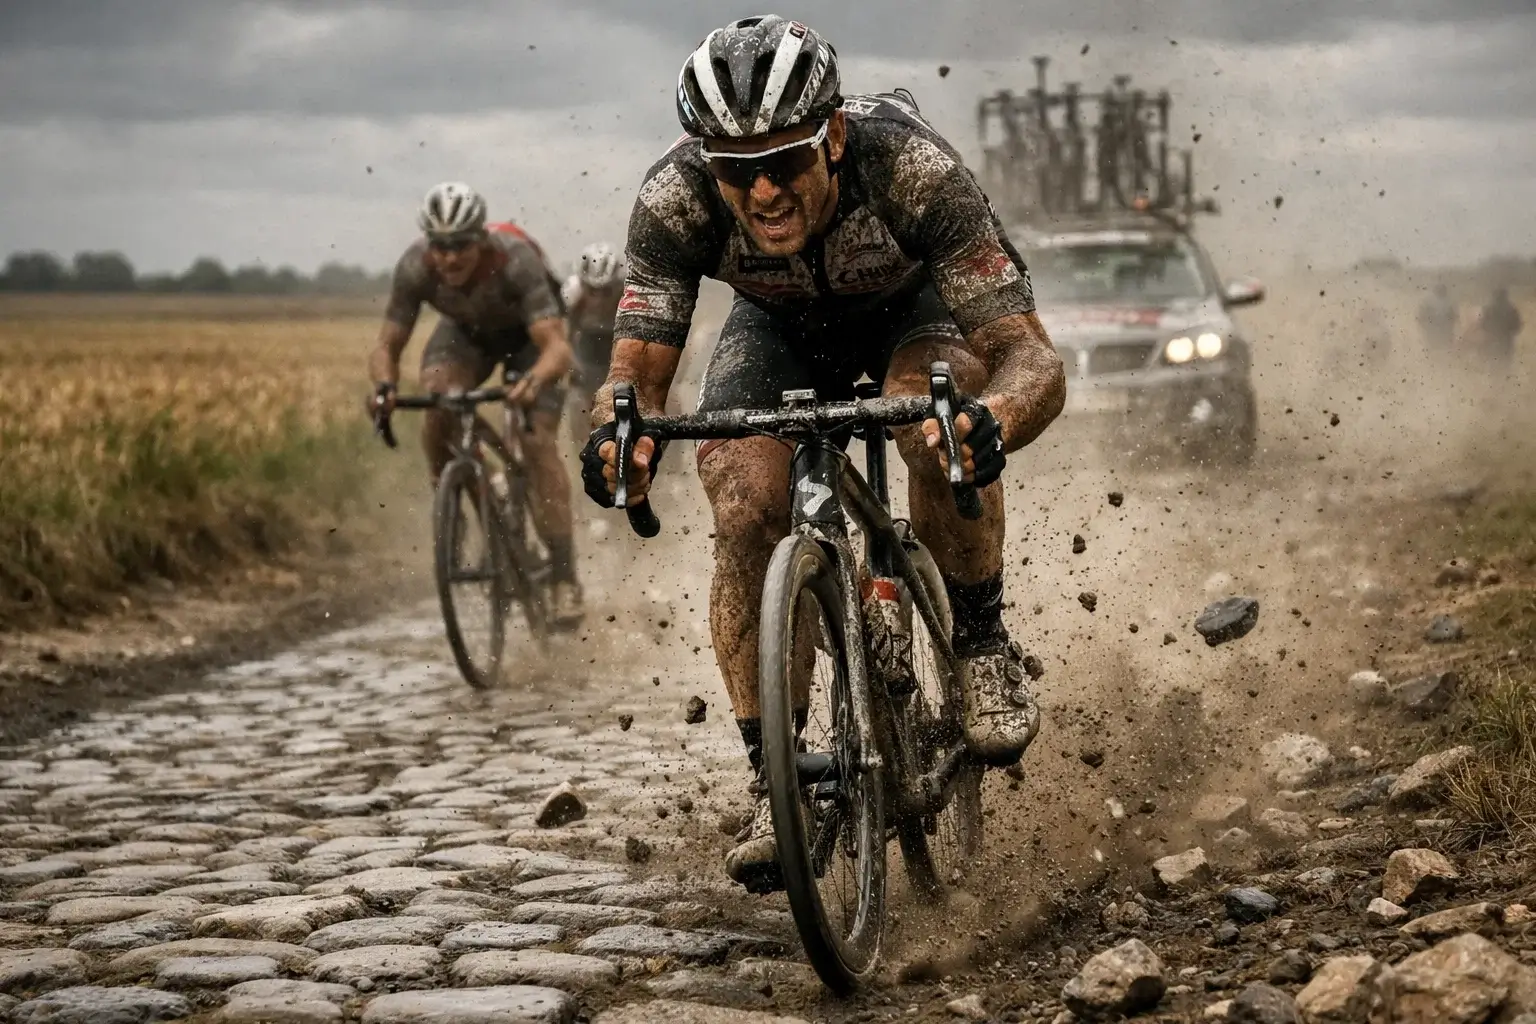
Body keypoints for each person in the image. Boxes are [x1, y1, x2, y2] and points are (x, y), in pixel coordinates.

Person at [578, 16, 1066, 890]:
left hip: (914, 318)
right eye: (736, 170)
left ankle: (982, 641)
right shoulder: (674, 198)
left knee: (934, 416)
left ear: (834, 136)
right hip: (777, 330)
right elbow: (635, 379)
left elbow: (1029, 355)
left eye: (785, 161)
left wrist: (989, 419)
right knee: (741, 498)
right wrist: (620, 440)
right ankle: (780, 782)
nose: (761, 191)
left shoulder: (912, 171)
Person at [367, 181, 585, 625]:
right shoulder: (415, 266)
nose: (449, 257)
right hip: (467, 337)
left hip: (531, 341)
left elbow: (557, 349)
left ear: (480, 238)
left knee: (537, 440)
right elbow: (387, 344)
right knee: (438, 400)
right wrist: (384, 388)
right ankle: (458, 495)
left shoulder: (514, 260)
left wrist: (535, 380)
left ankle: (563, 573)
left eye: (461, 244)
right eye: (441, 246)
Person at [561, 242, 628, 441]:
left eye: (605, 291)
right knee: (578, 401)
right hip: (588, 347)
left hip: (621, 345)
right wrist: (572, 368)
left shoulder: (626, 292)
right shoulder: (573, 294)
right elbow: (563, 337)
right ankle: (586, 450)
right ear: (582, 285)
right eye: (592, 291)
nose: (598, 300)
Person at [1475, 286, 1523, 367]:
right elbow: (1517, 326)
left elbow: (1483, 325)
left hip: (1491, 341)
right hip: (1507, 341)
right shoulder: (1512, 309)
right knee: (1506, 365)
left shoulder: (1488, 308)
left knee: (1493, 365)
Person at [1417, 283, 1458, 352]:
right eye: (1439, 290)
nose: (1440, 292)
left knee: (1444, 348)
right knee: (1433, 347)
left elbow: (1453, 317)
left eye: (1442, 290)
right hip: (1432, 330)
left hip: (1444, 331)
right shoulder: (1428, 302)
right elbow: (1421, 316)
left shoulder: (1449, 302)